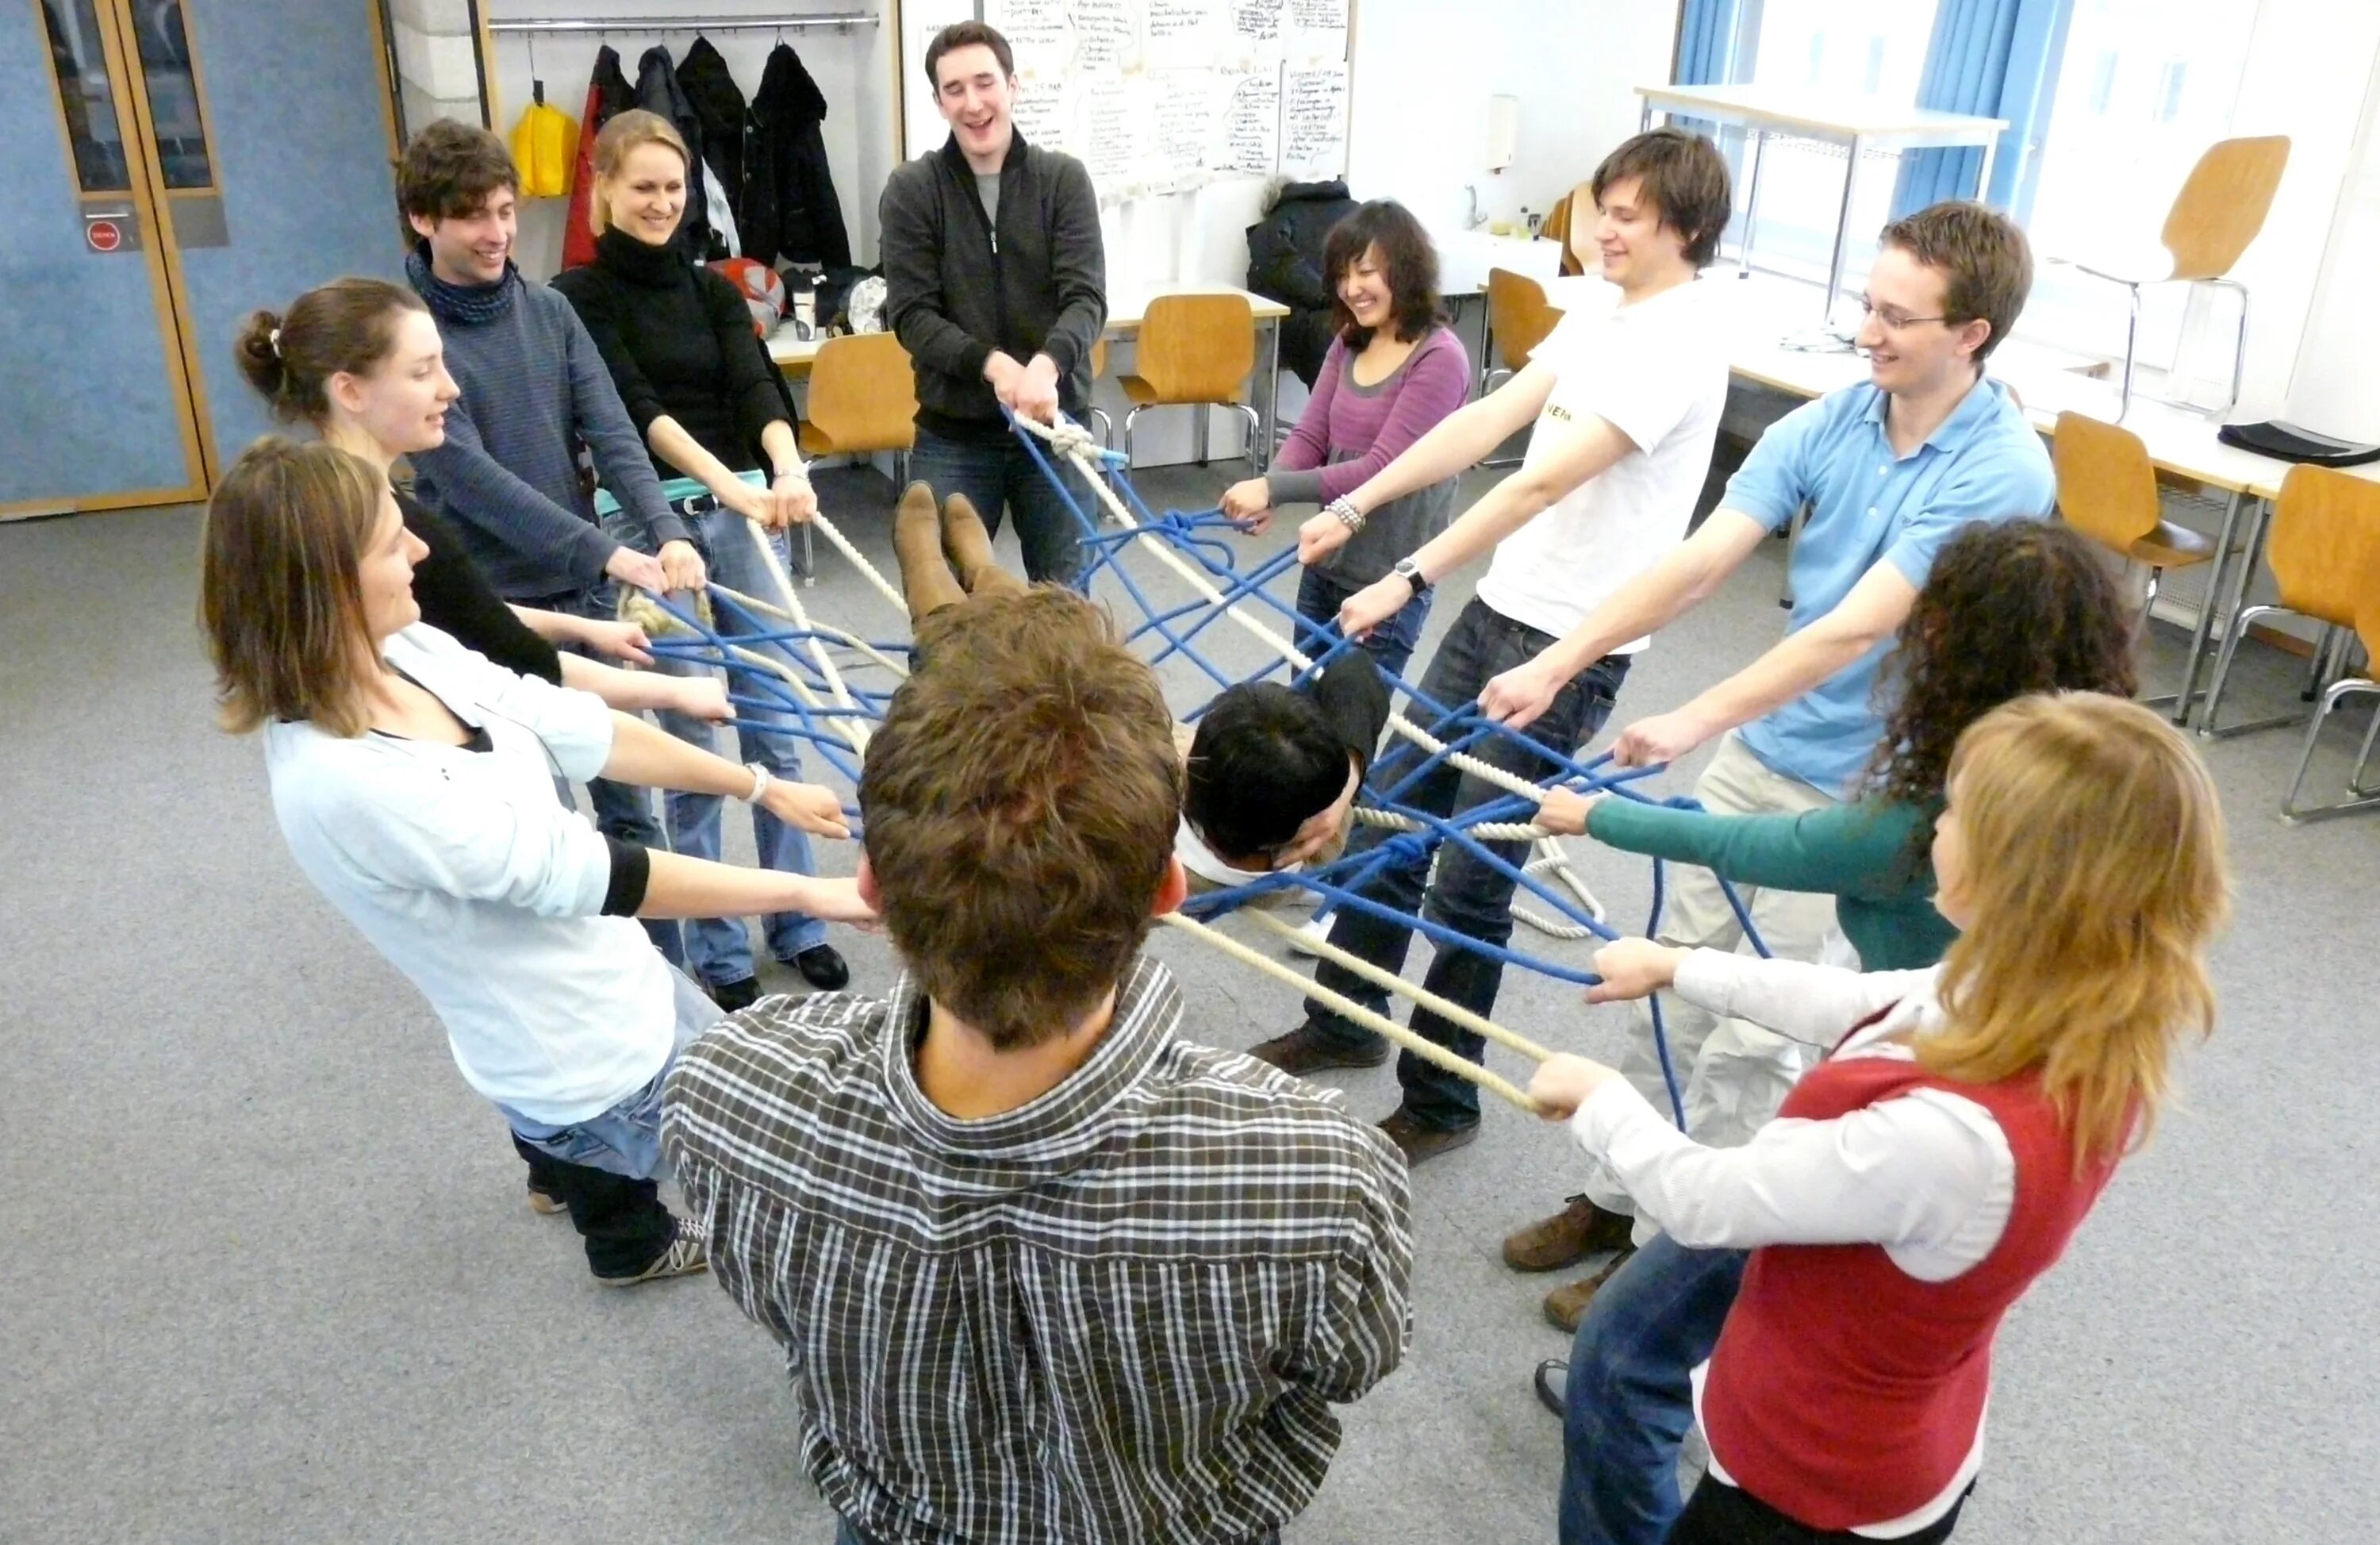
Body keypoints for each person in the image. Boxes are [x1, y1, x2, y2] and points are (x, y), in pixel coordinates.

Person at [662, 585, 1413, 1545]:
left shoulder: (726, 1093)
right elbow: (1351, 1365)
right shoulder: (1322, 1173)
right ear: (1171, 891)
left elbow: (771, 1307)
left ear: (869, 891)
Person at [1484, 201, 2059, 1318]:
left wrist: (1694, 717)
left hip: (1872, 788)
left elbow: (1856, 627)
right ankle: (1617, 1192)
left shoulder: (2000, 470)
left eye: (1899, 317)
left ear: (1974, 333)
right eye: (1867, 305)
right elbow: (1699, 559)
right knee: (1665, 979)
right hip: (1769, 744)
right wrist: (1564, 658)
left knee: (1755, 1037)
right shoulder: (1838, 420)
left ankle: (1675, 1253)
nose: (1869, 333)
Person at [1526, 520, 2140, 1545]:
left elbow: (1715, 1197)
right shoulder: (2041, 988)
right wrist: (1678, 964)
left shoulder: (1949, 1126)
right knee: (1638, 1341)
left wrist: (1601, 1097)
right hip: (1890, 1413)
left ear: (1995, 863)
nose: (1933, 820)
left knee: (1628, 1344)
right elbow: (1885, 998)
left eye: (1957, 816)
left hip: (1812, 1483)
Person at [199, 437, 870, 1286]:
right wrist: (818, 892)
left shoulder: (403, 649)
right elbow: (601, 875)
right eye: (389, 542)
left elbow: (567, 723)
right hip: (589, 1059)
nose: (419, 550)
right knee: (812, 1192)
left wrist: (759, 784)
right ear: (325, 586)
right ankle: (638, 1233)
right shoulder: (349, 780)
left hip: (619, 983)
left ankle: (586, 1183)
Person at [1245, 127, 1736, 1169]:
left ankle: (1442, 1095)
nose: (1602, 224)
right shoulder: (1603, 307)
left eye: (1629, 213)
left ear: (1685, 228)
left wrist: (1409, 571)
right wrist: (1361, 501)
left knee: (1471, 876)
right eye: (1603, 205)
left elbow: (1540, 479)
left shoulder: (1682, 338)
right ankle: (1345, 1018)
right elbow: (1490, 421)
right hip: (1501, 610)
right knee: (1386, 819)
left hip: (1571, 645)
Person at [396, 117, 716, 974]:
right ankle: (575, 987)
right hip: (482, 612)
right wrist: (608, 554)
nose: (499, 232)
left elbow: (614, 434)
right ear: (424, 221)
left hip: (582, 598)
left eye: (506, 210)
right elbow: (468, 479)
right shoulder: (412, 337)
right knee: (529, 832)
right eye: (474, 216)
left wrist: (667, 530)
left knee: (630, 815)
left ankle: (664, 985)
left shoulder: (551, 312)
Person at [552, 107, 850, 1002]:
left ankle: (799, 920)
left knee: (778, 718)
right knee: (695, 742)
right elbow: (636, 413)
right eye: (641, 187)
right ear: (603, 189)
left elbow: (755, 385)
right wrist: (729, 487)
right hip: (650, 529)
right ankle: (717, 950)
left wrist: (787, 468)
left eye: (673, 188)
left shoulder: (714, 288)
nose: (660, 203)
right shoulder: (578, 297)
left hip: (741, 508)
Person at [232, 275, 724, 722]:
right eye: (423, 371)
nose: (450, 388)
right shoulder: (377, 527)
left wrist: (584, 628)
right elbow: (517, 659)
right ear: (350, 391)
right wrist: (675, 694)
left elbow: (461, 608)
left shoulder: (357, 503)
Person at [886, 478, 1388, 892]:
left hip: (1025, 745)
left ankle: (932, 576)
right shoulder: (1318, 829)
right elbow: (1358, 673)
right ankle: (982, 568)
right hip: (1209, 799)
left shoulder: (1133, 832)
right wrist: (1347, 781)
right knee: (1059, 646)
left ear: (1189, 772)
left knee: (984, 668)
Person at [880, 21, 1106, 586]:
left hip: (1054, 432)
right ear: (938, 102)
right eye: (954, 89)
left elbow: (1086, 298)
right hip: (955, 435)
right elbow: (912, 315)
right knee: (946, 616)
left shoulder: (1064, 181)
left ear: (1013, 86)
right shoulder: (912, 189)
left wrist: (1046, 366)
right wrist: (993, 363)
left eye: (985, 83)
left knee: (1066, 611)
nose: (974, 103)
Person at [1219, 198, 1472, 682]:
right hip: (1326, 561)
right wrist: (1274, 484)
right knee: (1302, 709)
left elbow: (1380, 469)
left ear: (1405, 270)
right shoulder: (1349, 340)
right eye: (1341, 276)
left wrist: (1274, 490)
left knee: (1347, 727)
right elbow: (1313, 434)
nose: (1351, 289)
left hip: (1389, 581)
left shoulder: (1440, 358)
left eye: (1366, 273)